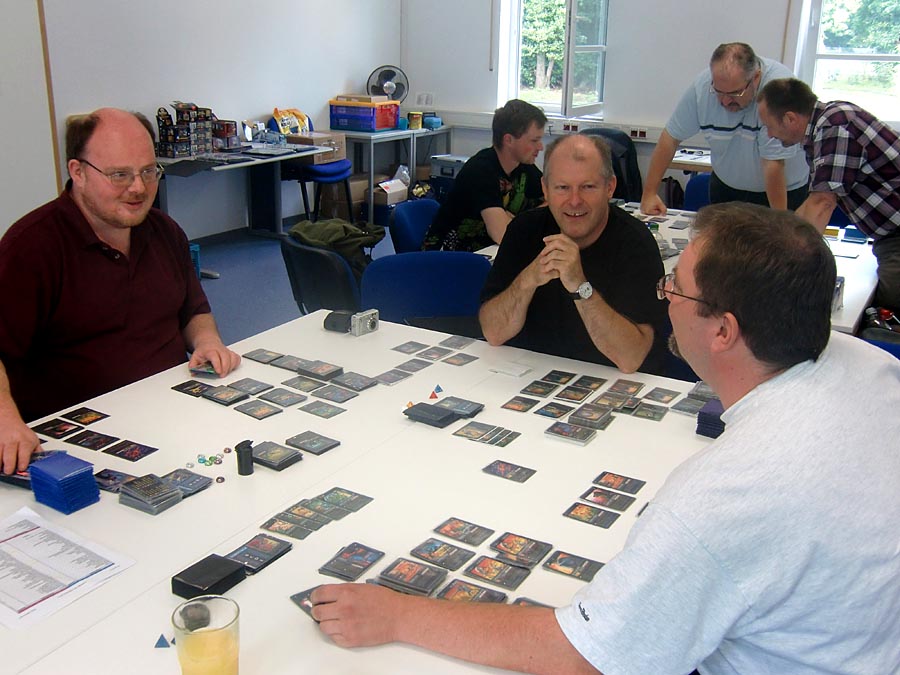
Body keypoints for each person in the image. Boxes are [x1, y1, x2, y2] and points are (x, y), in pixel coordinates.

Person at [308, 202, 900, 673]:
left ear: (723, 331)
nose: (664, 297)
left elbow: (583, 655)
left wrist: (399, 615)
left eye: (676, 288)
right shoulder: (871, 364)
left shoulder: (725, 495)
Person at [0, 108, 240, 474]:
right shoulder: (30, 248)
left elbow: (193, 310)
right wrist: (6, 420)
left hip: (174, 412)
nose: (138, 188)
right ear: (78, 172)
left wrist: (207, 341)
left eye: (148, 171)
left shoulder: (164, 231)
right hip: (82, 439)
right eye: (119, 175)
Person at [478, 133, 667, 374]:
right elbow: (493, 332)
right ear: (545, 189)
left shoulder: (635, 243)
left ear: (609, 187)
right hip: (527, 374)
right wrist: (528, 280)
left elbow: (631, 358)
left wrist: (580, 287)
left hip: (607, 381)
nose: (574, 201)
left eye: (587, 187)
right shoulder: (523, 230)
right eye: (562, 188)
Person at [757, 77, 900, 312]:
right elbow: (813, 202)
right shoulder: (821, 130)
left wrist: (787, 262)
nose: (770, 134)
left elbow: (823, 202)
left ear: (790, 118)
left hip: (896, 234)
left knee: (888, 305)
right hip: (888, 235)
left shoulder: (836, 125)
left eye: (769, 125)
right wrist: (780, 239)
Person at [641, 42, 809, 215]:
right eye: (719, 92)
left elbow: (773, 165)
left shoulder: (778, 90)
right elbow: (670, 137)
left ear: (756, 78)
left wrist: (780, 221)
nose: (725, 101)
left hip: (782, 191)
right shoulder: (703, 87)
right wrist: (649, 194)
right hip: (726, 187)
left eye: (734, 93)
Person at [422, 99, 546, 252]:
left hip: (488, 251)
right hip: (447, 257)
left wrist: (518, 220)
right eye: (534, 140)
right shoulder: (481, 170)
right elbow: (502, 234)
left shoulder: (524, 166)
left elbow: (555, 202)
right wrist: (520, 222)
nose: (540, 147)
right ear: (509, 140)